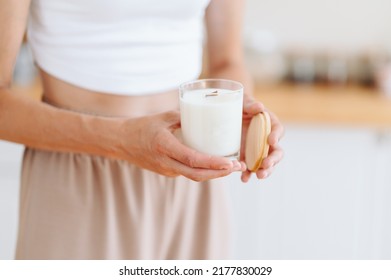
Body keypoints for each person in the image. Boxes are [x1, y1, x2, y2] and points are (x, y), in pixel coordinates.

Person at [0, 0, 284, 259]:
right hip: (78, 172)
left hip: (190, 175)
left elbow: (227, 62)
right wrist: (122, 139)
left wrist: (235, 113)